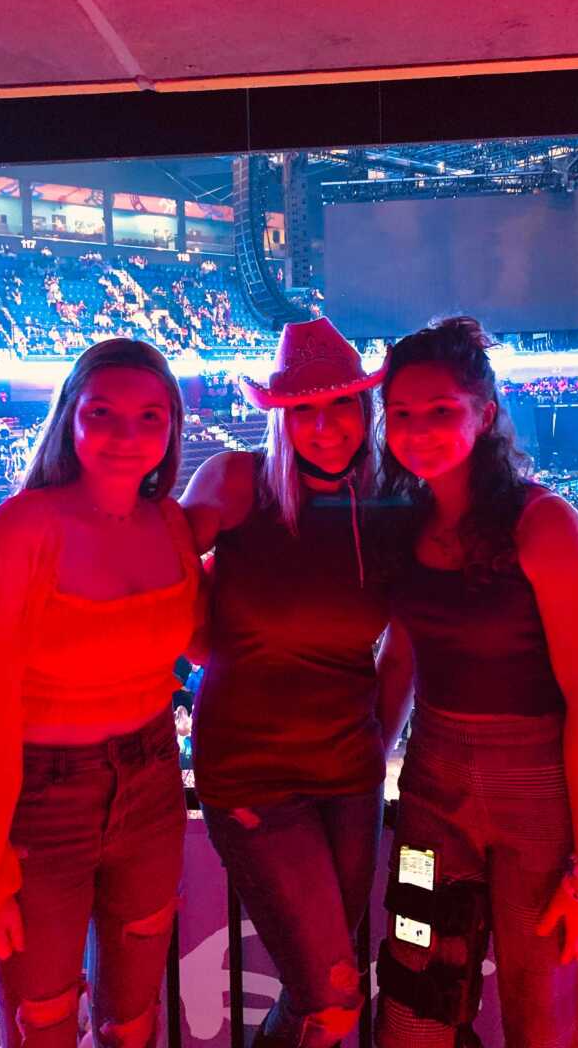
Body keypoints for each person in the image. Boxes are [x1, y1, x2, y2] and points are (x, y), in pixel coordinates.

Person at [0, 338, 203, 1048]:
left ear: (172, 428)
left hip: (152, 785)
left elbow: (206, 641)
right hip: (41, 802)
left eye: (150, 417)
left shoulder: (171, 523)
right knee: (38, 1025)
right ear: (69, 418)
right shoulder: (20, 530)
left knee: (134, 1021)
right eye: (103, 412)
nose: (125, 435)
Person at [375, 318, 578, 1047]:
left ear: (483, 414)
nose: (418, 431)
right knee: (415, 983)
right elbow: (400, 664)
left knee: (543, 1008)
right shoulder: (405, 522)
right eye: (402, 415)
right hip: (432, 790)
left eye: (440, 411)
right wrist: (358, 777)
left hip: (538, 793)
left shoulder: (546, 527)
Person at [182, 317, 391, 1047]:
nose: (325, 427)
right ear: (281, 417)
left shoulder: (389, 500)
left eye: (341, 406)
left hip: (350, 774)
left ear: (367, 410)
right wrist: (221, 652)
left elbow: (406, 646)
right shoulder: (235, 481)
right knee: (332, 997)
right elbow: (164, 580)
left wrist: (379, 737)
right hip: (252, 775)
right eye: (305, 409)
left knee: (326, 992)